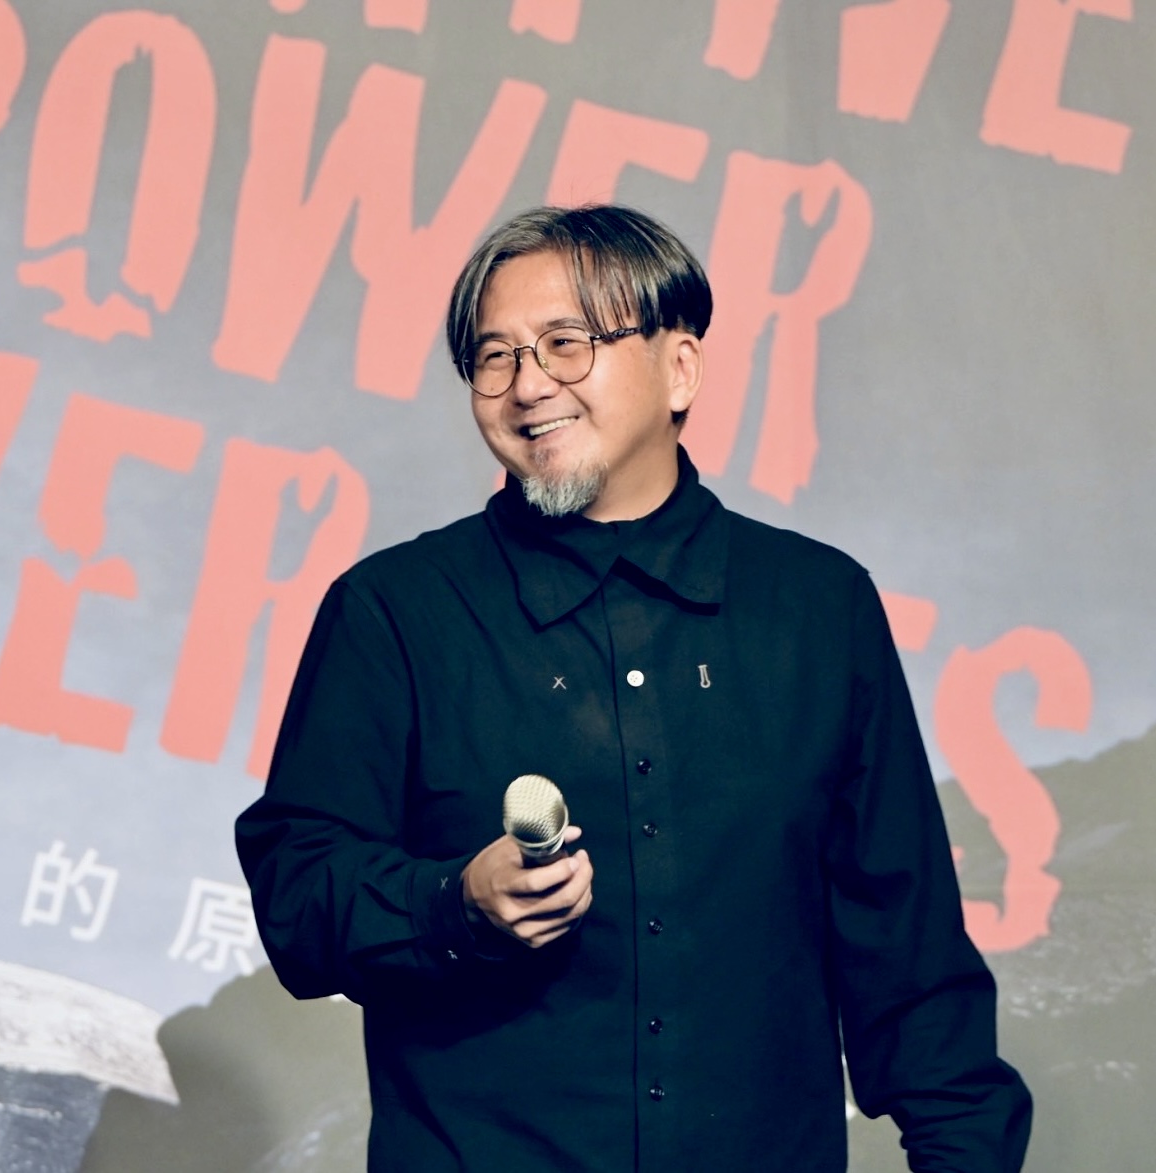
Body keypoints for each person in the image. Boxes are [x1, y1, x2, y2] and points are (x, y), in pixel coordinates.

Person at [235, 204, 1031, 1172]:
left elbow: (908, 962)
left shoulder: (817, 610)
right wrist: (455, 903)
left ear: (679, 368)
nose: (528, 385)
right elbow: (296, 897)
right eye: (493, 357)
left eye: (565, 344)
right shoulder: (395, 613)